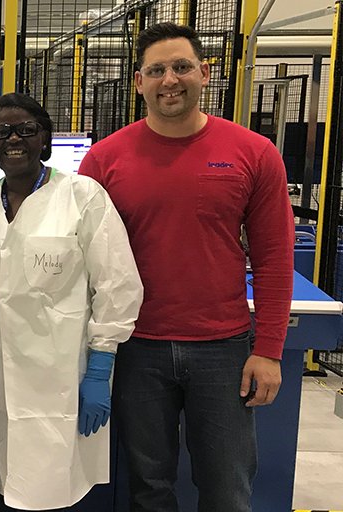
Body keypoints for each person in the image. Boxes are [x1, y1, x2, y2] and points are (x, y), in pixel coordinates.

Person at [78, 23, 294, 512]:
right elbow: (82, 259)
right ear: (138, 82)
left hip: (224, 351)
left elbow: (275, 257)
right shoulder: (104, 161)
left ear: (205, 73)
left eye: (181, 67)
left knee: (227, 488)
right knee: (148, 487)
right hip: (137, 349)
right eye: (156, 70)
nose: (169, 80)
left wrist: (270, 350)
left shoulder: (254, 153)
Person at [0, 92, 143, 510]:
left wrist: (100, 367)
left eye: (27, 129)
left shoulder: (83, 196)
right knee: (8, 483)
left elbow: (117, 284)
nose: (13, 139)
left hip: (60, 381)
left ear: (45, 138)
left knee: (54, 490)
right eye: (0, 132)